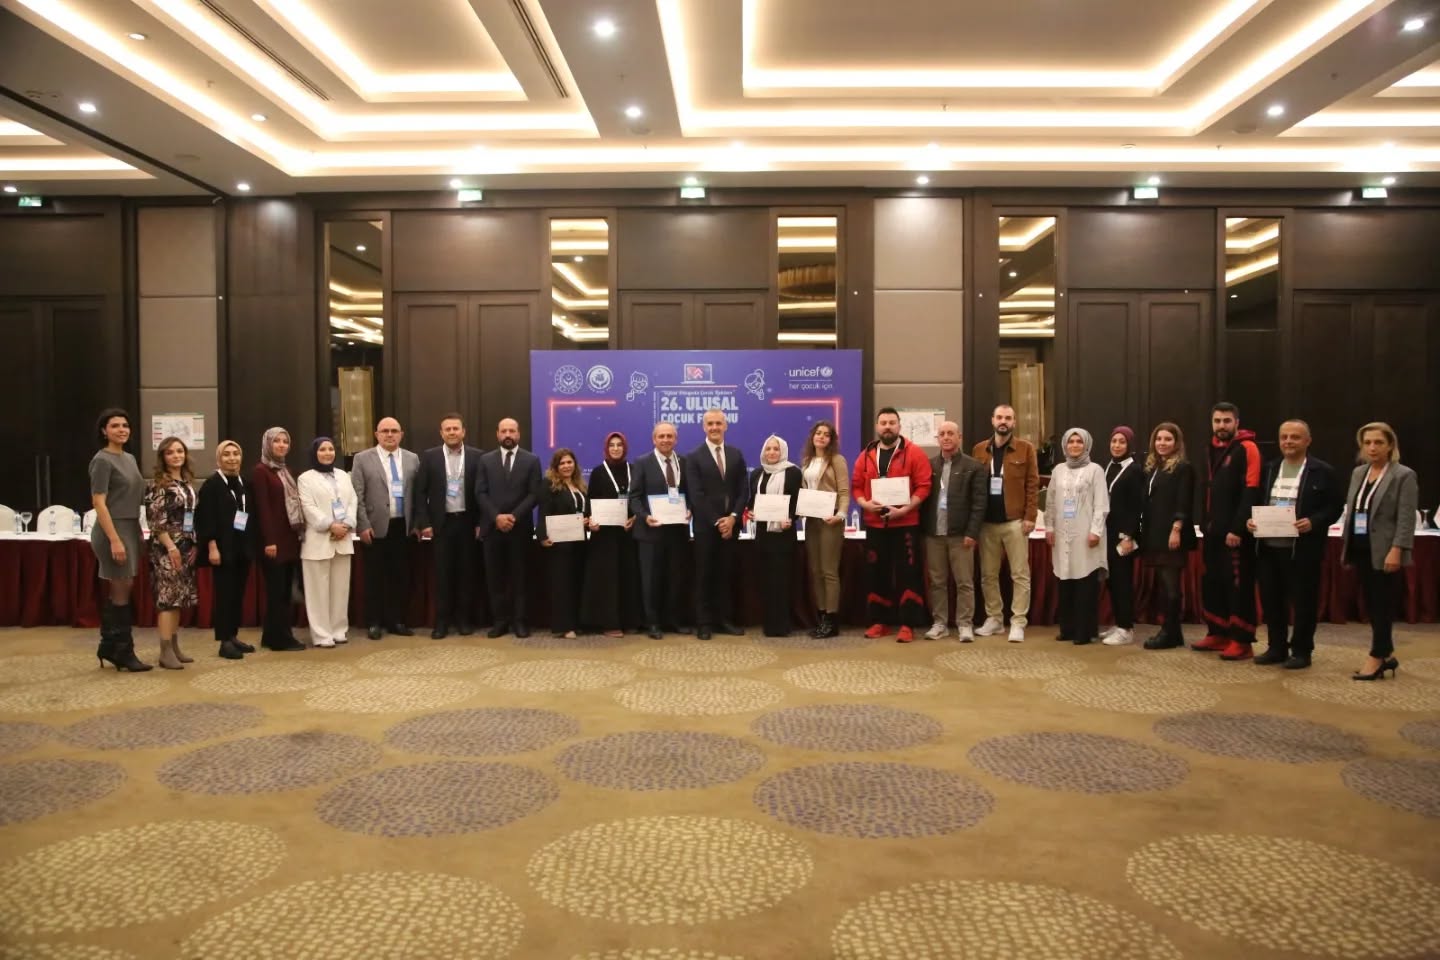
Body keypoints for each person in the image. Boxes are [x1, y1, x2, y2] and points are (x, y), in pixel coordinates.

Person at [1246, 420, 1343, 670]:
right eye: (1284, 437)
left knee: (1303, 603)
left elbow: (1334, 507)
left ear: (1308, 441)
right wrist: (1251, 521)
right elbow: (1257, 501)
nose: (1288, 441)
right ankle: (1276, 647)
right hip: (1268, 548)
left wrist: (1314, 521)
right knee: (1272, 601)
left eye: (1295, 437)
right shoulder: (1270, 468)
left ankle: (1301, 650)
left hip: (1302, 550)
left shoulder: (1322, 471)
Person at [1342, 422, 1418, 681]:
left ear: (1390, 445)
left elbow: (1406, 518)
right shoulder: (1359, 473)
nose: (1372, 448)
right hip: (1361, 547)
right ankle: (1385, 655)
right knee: (1372, 604)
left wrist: (1397, 549)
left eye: (1378, 442)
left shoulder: (1403, 475)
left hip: (1385, 550)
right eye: (1367, 443)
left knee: (1382, 605)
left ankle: (1377, 655)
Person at [852, 407, 933, 642]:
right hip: (875, 526)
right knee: (876, 573)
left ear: (899, 426)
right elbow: (856, 486)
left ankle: (908, 624)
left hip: (906, 524)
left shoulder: (914, 453)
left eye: (892, 422)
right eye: (883, 423)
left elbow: (924, 486)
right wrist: (865, 504)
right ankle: (879, 622)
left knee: (909, 574)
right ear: (877, 427)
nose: (887, 426)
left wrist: (905, 509)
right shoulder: (866, 455)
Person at [1197, 402, 1262, 661]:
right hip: (1212, 532)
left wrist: (1238, 528)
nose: (1221, 426)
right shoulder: (1209, 448)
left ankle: (1241, 640)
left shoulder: (1248, 448)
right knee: (1213, 582)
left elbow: (1251, 490)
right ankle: (1218, 633)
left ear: (1236, 422)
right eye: (1217, 421)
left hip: (1235, 534)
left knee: (1238, 587)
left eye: (1226, 421)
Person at [89, 408, 151, 671]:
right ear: (104, 431)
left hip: (130, 527)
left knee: (124, 587)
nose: (121, 430)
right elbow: (99, 502)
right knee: (121, 588)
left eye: (125, 425)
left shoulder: (130, 458)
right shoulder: (102, 460)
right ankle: (123, 651)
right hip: (111, 529)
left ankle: (109, 645)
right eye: (115, 426)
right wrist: (114, 539)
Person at [972, 404, 1039, 642]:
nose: (1003, 421)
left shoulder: (1026, 449)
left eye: (1008, 418)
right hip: (987, 523)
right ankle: (994, 619)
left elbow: (1032, 484)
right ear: (992, 420)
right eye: (999, 417)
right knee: (988, 575)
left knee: (1020, 574)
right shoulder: (979, 449)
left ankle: (1018, 622)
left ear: (1014, 422)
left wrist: (1030, 516)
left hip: (1015, 522)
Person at [415, 413, 482, 639]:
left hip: (468, 523)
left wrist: (481, 522)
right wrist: (424, 522)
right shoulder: (430, 457)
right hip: (441, 525)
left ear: (464, 432)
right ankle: (441, 622)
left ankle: (463, 620)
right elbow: (420, 492)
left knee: (466, 574)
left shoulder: (477, 457)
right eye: (448, 429)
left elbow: (483, 492)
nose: (452, 432)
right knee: (442, 575)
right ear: (441, 433)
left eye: (456, 428)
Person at [685, 409, 749, 640]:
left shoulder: (735, 454)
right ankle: (704, 623)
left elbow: (743, 490)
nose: (714, 427)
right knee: (704, 575)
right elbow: (696, 494)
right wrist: (717, 521)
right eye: (710, 424)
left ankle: (724, 620)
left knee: (725, 574)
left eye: (718, 423)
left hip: (731, 527)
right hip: (705, 527)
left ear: (725, 426)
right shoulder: (693, 457)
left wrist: (733, 517)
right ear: (704, 427)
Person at [352, 417, 419, 640]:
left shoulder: (412, 459)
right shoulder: (362, 458)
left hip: (403, 527)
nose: (389, 435)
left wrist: (417, 524)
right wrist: (362, 525)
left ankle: (396, 621)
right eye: (385, 431)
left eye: (394, 431)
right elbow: (357, 495)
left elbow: (417, 495)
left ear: (401, 434)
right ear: (376, 434)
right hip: (375, 526)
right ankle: (374, 622)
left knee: (399, 576)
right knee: (374, 577)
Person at [920, 420, 986, 641]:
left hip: (961, 535)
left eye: (950, 433)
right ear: (937, 439)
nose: (946, 437)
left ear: (960, 437)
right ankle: (940, 623)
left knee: (964, 582)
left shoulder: (973, 467)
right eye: (942, 434)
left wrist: (972, 533)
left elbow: (979, 504)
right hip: (934, 535)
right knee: (937, 582)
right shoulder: (929, 466)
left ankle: (965, 624)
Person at [476, 417, 541, 638]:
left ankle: (520, 621)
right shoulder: (485, 460)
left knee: (520, 578)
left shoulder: (532, 460)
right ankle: (500, 621)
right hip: (492, 529)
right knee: (495, 578)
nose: (508, 435)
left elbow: (534, 494)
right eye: (504, 431)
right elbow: (480, 493)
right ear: (497, 434)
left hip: (520, 529)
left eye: (512, 431)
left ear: (518, 434)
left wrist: (513, 516)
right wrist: (496, 517)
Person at [1045, 428, 1110, 645]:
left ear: (1087, 445)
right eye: (1071, 441)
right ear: (1065, 445)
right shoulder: (1058, 470)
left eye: (1079, 441)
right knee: (1065, 582)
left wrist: (1096, 531)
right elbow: (1050, 501)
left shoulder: (1095, 470)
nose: (1074, 445)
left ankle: (1085, 631)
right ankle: (1068, 629)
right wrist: (1049, 527)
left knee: (1085, 583)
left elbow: (1101, 504)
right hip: (1062, 535)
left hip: (1086, 534)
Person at [630, 421, 691, 639]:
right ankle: (652, 623)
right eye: (661, 436)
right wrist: (645, 516)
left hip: (677, 531)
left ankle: (673, 620)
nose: (665, 440)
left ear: (676, 439)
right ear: (654, 439)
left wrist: (690, 509)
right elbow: (634, 497)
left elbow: (690, 493)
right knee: (651, 580)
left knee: (675, 578)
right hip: (651, 532)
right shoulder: (642, 462)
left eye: (669, 436)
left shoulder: (684, 462)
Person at [195, 439, 256, 660]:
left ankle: (233, 635)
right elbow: (205, 519)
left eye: (235, 454)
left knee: (237, 594)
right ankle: (224, 641)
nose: (232, 458)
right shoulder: (212, 485)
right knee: (224, 596)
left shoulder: (243, 483)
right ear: (219, 459)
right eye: (226, 454)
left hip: (242, 548)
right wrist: (212, 547)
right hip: (222, 549)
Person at [1139, 422, 1197, 649]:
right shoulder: (1154, 467)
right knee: (1164, 585)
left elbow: (1184, 501)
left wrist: (1176, 528)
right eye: (1158, 439)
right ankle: (1173, 632)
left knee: (1171, 587)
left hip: (1172, 535)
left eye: (1167, 439)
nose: (1162, 443)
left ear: (1177, 443)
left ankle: (1170, 633)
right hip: (1155, 533)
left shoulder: (1183, 467)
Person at [144, 437, 200, 669]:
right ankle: (165, 651)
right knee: (168, 599)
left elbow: (190, 515)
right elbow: (156, 522)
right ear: (163, 457)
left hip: (186, 545)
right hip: (166, 548)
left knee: (178, 598)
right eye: (170, 452)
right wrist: (171, 547)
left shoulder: (186, 482)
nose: (176, 456)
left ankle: (174, 646)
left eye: (180, 451)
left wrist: (193, 543)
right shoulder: (159, 484)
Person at [297, 438, 357, 648]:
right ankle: (322, 635)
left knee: (340, 590)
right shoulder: (305, 478)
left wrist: (347, 524)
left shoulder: (343, 475)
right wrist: (331, 525)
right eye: (322, 449)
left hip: (343, 539)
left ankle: (339, 630)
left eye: (331, 449)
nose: (327, 453)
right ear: (315, 453)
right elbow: (308, 507)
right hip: (318, 541)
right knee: (318, 592)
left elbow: (352, 502)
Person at [581, 432, 643, 637]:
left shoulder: (634, 470)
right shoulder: (598, 472)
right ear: (606, 449)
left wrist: (635, 518)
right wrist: (591, 521)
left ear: (625, 448)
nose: (616, 448)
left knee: (628, 576)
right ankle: (609, 623)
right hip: (605, 536)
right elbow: (590, 502)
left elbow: (640, 499)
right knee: (608, 579)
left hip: (628, 533)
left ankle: (630, 620)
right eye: (612, 445)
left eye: (619, 445)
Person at [748, 435, 802, 637]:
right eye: (768, 448)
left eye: (776, 449)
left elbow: (798, 502)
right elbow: (752, 502)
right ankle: (769, 624)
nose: (771, 452)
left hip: (783, 535)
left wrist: (791, 518)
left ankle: (782, 625)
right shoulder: (757, 473)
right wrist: (750, 512)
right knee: (766, 580)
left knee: (782, 581)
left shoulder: (793, 472)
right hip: (763, 535)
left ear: (783, 452)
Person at [800, 420, 849, 639]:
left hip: (831, 520)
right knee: (816, 571)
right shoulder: (807, 461)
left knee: (829, 571)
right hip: (811, 520)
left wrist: (841, 514)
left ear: (831, 440)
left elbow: (844, 492)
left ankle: (831, 620)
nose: (821, 437)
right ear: (812, 437)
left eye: (826, 434)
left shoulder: (837, 460)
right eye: (818, 433)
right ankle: (821, 618)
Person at [538, 448, 590, 639]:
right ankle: (564, 625)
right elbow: (543, 512)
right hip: (559, 543)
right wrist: (542, 536)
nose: (566, 466)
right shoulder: (549, 484)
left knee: (576, 582)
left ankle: (575, 623)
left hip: (579, 543)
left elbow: (585, 512)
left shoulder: (580, 485)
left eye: (569, 462)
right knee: (562, 585)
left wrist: (589, 520)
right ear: (556, 466)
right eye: (562, 463)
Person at [1101, 426, 1145, 646]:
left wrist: (1129, 536)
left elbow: (1138, 506)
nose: (1117, 445)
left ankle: (1126, 629)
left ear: (1129, 445)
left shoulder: (1135, 470)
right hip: (1107, 533)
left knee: (1122, 581)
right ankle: (1119, 622)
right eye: (1114, 441)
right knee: (1112, 580)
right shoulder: (1109, 466)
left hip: (1123, 536)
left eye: (1122, 442)